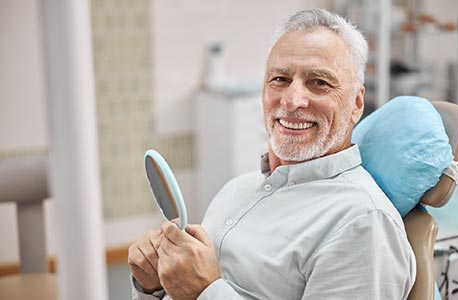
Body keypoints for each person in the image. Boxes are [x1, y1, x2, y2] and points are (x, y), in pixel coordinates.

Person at [128, 8, 416, 300]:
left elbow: (200, 290)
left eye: (319, 83)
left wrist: (205, 292)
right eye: (280, 79)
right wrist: (153, 287)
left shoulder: (362, 223)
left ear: (356, 104)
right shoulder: (236, 189)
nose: (292, 101)